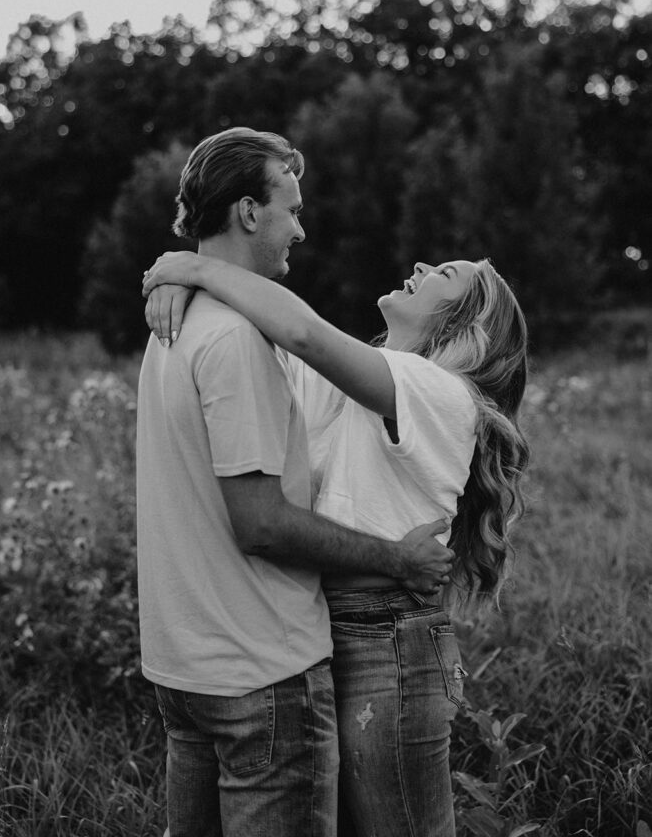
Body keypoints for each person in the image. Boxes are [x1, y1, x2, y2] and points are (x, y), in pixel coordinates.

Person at [142, 241, 530, 837]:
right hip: (324, 628)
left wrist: (193, 268)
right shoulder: (363, 385)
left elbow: (302, 333)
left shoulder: (442, 394)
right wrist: (178, 286)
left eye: (443, 275)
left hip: (389, 641)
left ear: (464, 320)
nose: (422, 267)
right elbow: (270, 333)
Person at [135, 127, 455, 837]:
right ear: (250, 212)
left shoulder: (174, 328)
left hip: (185, 665)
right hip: (259, 672)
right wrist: (396, 558)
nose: (300, 230)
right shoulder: (234, 340)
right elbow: (262, 522)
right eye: (291, 208)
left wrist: (180, 268)